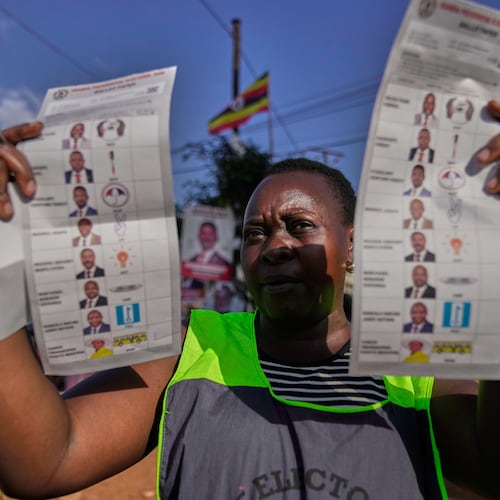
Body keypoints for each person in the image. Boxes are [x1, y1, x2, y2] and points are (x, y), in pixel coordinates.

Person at [0, 102, 499, 498]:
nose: (276, 245)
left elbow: (491, 471)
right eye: (255, 233)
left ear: (352, 247)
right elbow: (44, 463)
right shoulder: (189, 351)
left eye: (300, 226)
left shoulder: (420, 364)